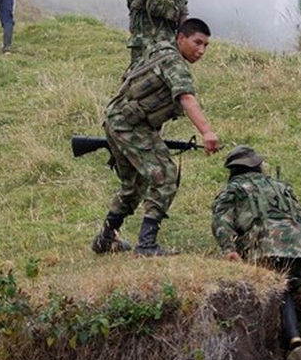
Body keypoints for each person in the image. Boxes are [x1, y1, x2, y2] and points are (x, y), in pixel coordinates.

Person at [91, 18, 220, 256]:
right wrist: (206, 131)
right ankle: (147, 244)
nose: (201, 51)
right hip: (131, 126)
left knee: (133, 186)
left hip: (116, 121)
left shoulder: (159, 49)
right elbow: (186, 98)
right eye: (197, 43)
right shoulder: (175, 63)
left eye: (206, 46)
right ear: (181, 38)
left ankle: (105, 239)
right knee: (166, 176)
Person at [211, 145, 301, 348]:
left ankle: (282, 341)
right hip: (296, 244)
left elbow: (221, 221)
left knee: (272, 292)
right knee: (287, 288)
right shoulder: (281, 186)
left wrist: (228, 249)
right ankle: (298, 336)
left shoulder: (233, 189)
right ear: (257, 166)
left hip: (262, 245)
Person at [124, 0, 188, 71]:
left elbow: (132, 7)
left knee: (139, 76)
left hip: (141, 43)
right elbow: (183, 15)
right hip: (168, 43)